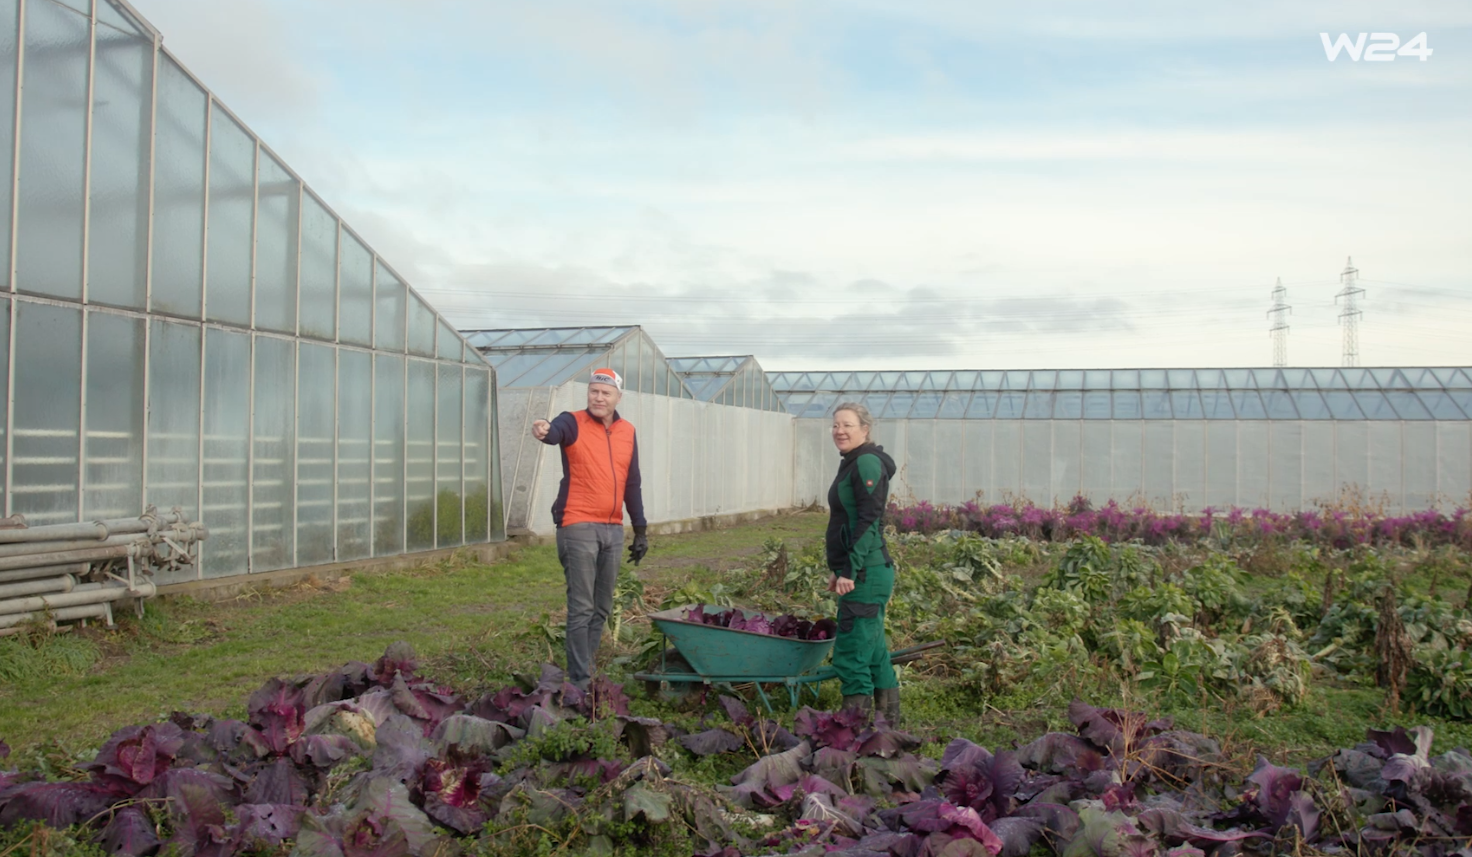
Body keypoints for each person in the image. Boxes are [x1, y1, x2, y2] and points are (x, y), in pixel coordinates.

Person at [532, 367, 649, 691]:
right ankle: (580, 683)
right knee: (581, 607)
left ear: (617, 397)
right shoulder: (572, 421)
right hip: (578, 523)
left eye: (605, 393)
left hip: (612, 528)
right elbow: (554, 432)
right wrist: (543, 428)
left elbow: (632, 482)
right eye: (594, 391)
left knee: (602, 607)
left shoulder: (627, 431)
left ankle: (587, 669)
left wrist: (640, 529)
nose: (598, 397)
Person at [824, 401, 901, 723]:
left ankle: (851, 728)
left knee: (853, 648)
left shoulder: (867, 462)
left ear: (865, 429)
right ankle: (888, 721)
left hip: (866, 572)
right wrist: (839, 569)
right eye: (835, 425)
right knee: (872, 648)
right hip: (865, 571)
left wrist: (850, 570)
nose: (839, 431)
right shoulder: (853, 461)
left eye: (847, 425)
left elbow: (869, 519)